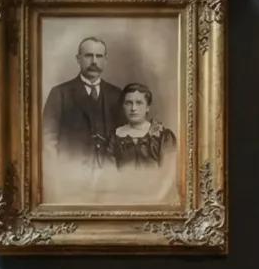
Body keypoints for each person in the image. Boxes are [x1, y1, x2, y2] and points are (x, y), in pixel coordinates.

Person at [42, 37, 124, 170]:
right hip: (71, 171)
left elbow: (124, 136)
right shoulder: (60, 93)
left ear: (105, 60)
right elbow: (47, 140)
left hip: (108, 173)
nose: (94, 61)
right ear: (78, 59)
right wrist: (57, 170)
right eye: (88, 56)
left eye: (99, 56)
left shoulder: (116, 94)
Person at [107, 82, 177, 201]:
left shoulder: (162, 136)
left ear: (147, 107)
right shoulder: (115, 136)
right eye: (128, 103)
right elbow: (110, 173)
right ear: (123, 106)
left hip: (156, 197)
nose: (133, 108)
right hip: (123, 196)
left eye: (139, 103)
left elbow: (170, 173)